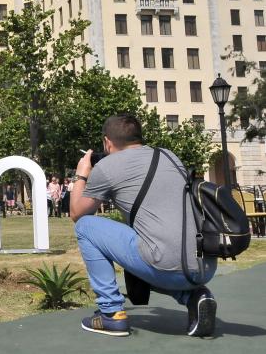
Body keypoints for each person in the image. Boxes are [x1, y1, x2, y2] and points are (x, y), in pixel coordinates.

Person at [71, 114, 217, 337]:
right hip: (205, 265)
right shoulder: (169, 156)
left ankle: (111, 314)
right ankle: (194, 296)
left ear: (107, 142)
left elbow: (76, 213)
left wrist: (81, 175)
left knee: (86, 227)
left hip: (166, 264)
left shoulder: (107, 166)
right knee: (153, 244)